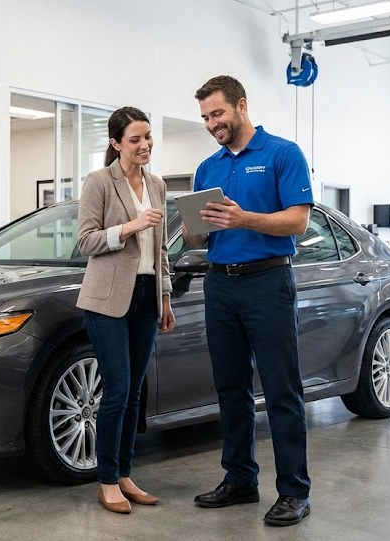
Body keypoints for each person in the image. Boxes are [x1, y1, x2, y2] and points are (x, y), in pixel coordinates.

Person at [183, 75, 313, 527]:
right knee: (230, 388)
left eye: (217, 113)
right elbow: (201, 236)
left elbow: (297, 222)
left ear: (241, 106)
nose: (211, 123)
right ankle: (239, 479)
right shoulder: (208, 168)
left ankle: (294, 490)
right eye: (204, 117)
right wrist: (192, 229)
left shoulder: (283, 154)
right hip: (220, 284)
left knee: (281, 389)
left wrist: (244, 218)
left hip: (268, 283)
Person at [77, 106, 176, 514]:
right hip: (107, 299)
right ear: (116, 143)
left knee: (134, 392)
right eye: (134, 139)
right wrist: (130, 228)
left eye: (147, 137)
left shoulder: (157, 185)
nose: (144, 145)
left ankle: (124, 475)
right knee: (116, 390)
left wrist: (165, 297)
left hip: (147, 295)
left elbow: (163, 248)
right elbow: (85, 241)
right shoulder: (99, 182)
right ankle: (105, 481)